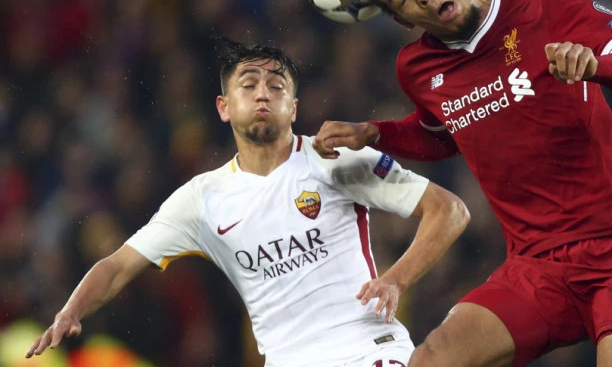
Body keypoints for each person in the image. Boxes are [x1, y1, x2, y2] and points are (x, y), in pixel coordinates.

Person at [313, 0, 612, 366]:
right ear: (402, 20)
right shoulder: (417, 68)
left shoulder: (545, 3)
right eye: (402, 0)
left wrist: (595, 65)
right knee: (432, 359)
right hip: (535, 262)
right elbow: (444, 135)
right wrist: (373, 133)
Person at [27, 37, 470, 366]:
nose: (263, 93)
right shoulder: (201, 199)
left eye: (277, 86)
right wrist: (71, 310)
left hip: (366, 348)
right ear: (224, 107)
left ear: (293, 107)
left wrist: (396, 279)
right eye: (249, 84)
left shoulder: (335, 158)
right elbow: (118, 265)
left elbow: (449, 210)